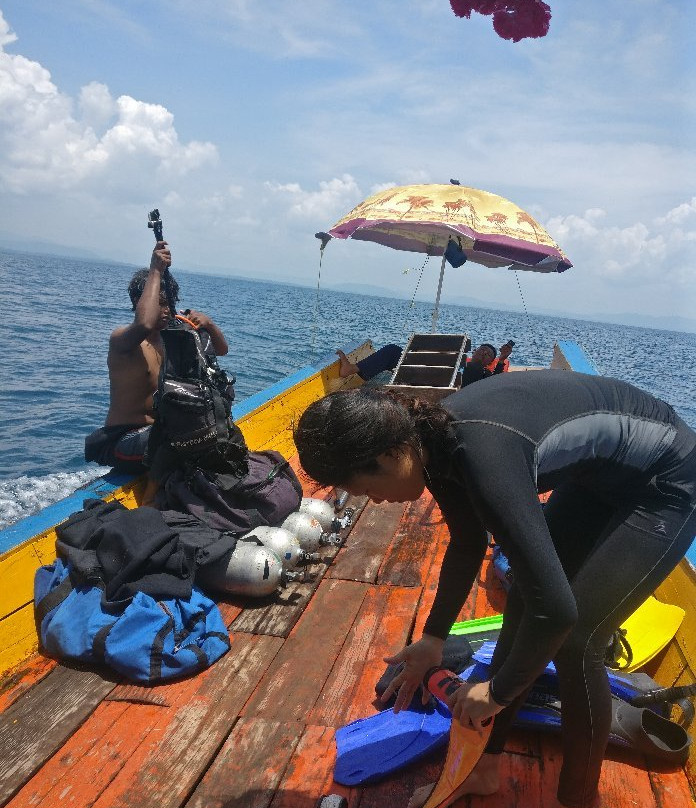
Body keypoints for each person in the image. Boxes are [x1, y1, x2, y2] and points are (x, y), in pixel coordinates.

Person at [293, 372, 696, 808]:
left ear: (391, 453)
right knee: (525, 598)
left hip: (666, 479)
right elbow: (468, 543)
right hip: (598, 476)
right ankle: (483, 769)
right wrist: (433, 640)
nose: (373, 499)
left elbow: (559, 611)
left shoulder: (481, 453)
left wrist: (497, 692)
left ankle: (580, 799)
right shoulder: (430, 447)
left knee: (580, 643)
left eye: (367, 487)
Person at [84, 241, 229, 473]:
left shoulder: (173, 339)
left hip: (160, 433)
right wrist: (155, 270)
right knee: (182, 436)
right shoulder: (123, 340)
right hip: (124, 439)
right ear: (138, 302)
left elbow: (221, 350)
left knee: (216, 421)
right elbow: (144, 323)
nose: (166, 310)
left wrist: (208, 324)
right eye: (159, 303)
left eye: (169, 303)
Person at [336, 340, 513, 384]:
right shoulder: (459, 359)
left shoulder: (483, 374)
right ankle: (351, 369)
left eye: (489, 354)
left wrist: (502, 359)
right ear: (473, 351)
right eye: (482, 349)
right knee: (393, 350)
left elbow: (495, 381)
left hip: (439, 386)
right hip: (423, 373)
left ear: (491, 361)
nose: (484, 353)